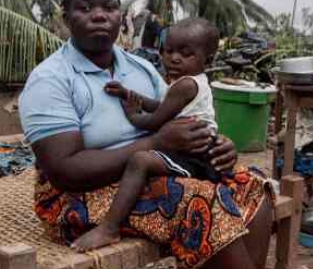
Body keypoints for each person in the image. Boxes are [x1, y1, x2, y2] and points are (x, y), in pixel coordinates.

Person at [18, 0, 273, 269]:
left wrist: (218, 145)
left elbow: (179, 117)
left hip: (149, 173)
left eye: (109, 7)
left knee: (251, 183)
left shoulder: (140, 69)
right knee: (200, 201)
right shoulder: (50, 80)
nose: (99, 15)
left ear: (120, 15)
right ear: (66, 17)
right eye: (85, 8)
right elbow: (64, 171)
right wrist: (154, 142)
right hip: (77, 194)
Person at [70, 18, 222, 251]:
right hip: (194, 150)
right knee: (144, 159)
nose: (174, 58)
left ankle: (109, 228)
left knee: (140, 160)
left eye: (185, 53)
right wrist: (128, 94)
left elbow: (155, 120)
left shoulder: (185, 86)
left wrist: (132, 115)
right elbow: (158, 105)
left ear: (207, 60)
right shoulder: (185, 83)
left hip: (194, 155)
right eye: (168, 51)